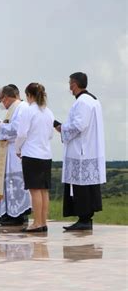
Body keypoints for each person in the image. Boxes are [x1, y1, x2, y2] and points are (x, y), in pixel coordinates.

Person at [55, 72, 105, 231]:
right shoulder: (93, 100)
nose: (69, 86)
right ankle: (85, 218)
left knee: (81, 186)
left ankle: (84, 219)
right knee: (86, 186)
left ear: (74, 84)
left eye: (70, 83)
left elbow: (79, 125)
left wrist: (61, 128)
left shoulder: (82, 102)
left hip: (81, 151)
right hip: (89, 149)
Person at [15, 83, 54, 232]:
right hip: (46, 154)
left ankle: (37, 222)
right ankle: (43, 222)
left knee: (34, 190)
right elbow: (50, 134)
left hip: (31, 153)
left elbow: (22, 133)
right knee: (44, 190)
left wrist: (18, 148)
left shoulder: (29, 111)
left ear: (29, 95)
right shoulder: (48, 112)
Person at [0, 85, 31, 226]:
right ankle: (10, 213)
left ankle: (18, 214)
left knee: (16, 184)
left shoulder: (21, 108)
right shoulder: (14, 109)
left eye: (1, 99)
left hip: (17, 153)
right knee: (10, 184)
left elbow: (17, 129)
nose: (1, 103)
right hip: (10, 152)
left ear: (7, 97)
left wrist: (0, 127)